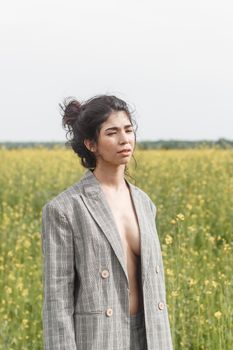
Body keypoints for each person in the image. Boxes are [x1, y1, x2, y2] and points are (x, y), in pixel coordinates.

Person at [41, 94, 173, 350]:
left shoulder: (145, 203)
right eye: (112, 132)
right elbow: (57, 303)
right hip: (100, 338)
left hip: (151, 336)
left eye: (128, 130)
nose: (124, 139)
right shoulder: (65, 209)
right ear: (91, 144)